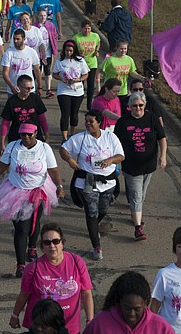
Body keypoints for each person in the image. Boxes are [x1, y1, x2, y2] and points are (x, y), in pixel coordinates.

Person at [0, 123, 64, 276]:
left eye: (30, 134)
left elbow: (53, 169)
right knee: (21, 229)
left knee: (34, 222)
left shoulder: (44, 148)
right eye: (23, 134)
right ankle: (21, 264)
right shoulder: (12, 147)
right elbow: (1, 166)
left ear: (36, 133)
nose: (27, 137)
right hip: (14, 191)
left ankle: (32, 247)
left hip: (39, 190)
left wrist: (59, 186)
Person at [59, 110, 124, 260]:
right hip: (86, 183)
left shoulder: (110, 137)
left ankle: (94, 227)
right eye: (86, 121)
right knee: (91, 212)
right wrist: (69, 160)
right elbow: (63, 149)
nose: (87, 124)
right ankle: (96, 246)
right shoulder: (80, 138)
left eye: (91, 121)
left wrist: (110, 160)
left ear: (99, 122)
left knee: (103, 209)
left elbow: (121, 156)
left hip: (108, 182)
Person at [10, 223, 94, 333]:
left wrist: (90, 320)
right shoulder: (32, 268)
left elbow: (86, 293)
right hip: (41, 329)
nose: (52, 246)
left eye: (56, 241)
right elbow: (24, 295)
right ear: (42, 246)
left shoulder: (77, 262)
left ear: (62, 243)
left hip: (70, 326)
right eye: (47, 242)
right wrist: (15, 315)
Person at [114, 91, 167, 241]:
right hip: (131, 166)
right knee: (137, 195)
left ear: (145, 105)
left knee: (141, 194)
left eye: (141, 105)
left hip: (149, 165)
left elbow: (162, 138)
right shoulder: (123, 122)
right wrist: (114, 161)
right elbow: (115, 142)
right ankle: (138, 228)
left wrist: (163, 156)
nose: (138, 108)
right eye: (134, 106)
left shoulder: (152, 118)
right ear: (129, 107)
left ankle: (135, 212)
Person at [84, 271, 174, 333]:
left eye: (137, 309)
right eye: (127, 308)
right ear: (120, 302)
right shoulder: (100, 323)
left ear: (145, 303)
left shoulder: (162, 328)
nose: (132, 314)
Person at [53, 40, 90, 142]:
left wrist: (79, 79)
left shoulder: (80, 61)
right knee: (65, 114)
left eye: (70, 51)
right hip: (64, 91)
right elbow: (55, 74)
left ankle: (72, 134)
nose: (68, 53)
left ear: (74, 51)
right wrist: (62, 79)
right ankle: (64, 137)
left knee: (74, 113)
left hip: (77, 91)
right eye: (66, 51)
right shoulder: (60, 61)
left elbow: (86, 74)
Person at [2, 29, 42, 98]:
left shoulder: (31, 52)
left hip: (29, 90)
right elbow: (5, 72)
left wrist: (40, 87)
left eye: (18, 39)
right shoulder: (9, 53)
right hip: (13, 90)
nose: (15, 41)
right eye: (14, 39)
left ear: (24, 39)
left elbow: (37, 70)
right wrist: (11, 87)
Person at [71, 19, 100, 110]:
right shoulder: (76, 38)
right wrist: (78, 54)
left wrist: (96, 50)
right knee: (80, 84)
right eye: (85, 29)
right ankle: (78, 102)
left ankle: (89, 105)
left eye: (89, 28)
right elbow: (72, 49)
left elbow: (98, 43)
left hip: (92, 63)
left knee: (91, 84)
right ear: (81, 29)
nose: (87, 31)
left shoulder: (95, 36)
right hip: (80, 64)